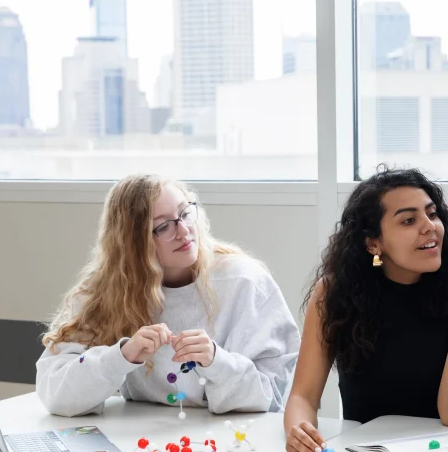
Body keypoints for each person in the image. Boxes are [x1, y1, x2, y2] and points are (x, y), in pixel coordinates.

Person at [283, 167, 448, 452]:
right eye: (408, 220)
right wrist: (298, 430)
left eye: (432, 214)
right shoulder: (334, 292)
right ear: (373, 243)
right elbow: (303, 395)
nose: (429, 226)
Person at [37, 174, 300, 419]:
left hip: (229, 443)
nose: (184, 230)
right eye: (163, 227)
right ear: (132, 243)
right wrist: (122, 356)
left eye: (185, 213)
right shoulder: (109, 290)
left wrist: (215, 360)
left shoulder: (244, 282)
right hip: (145, 444)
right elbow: (54, 391)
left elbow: (274, 397)